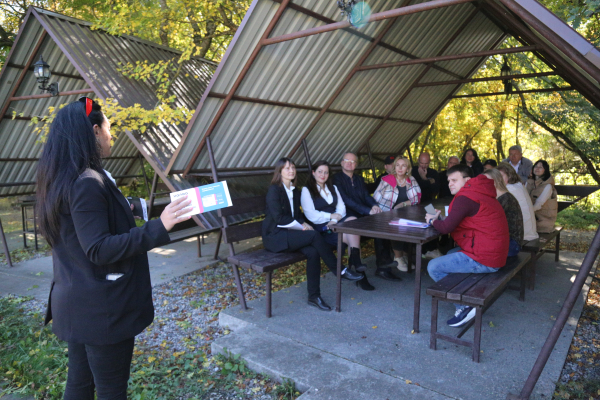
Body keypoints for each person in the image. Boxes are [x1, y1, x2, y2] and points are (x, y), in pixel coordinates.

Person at [36, 98, 193, 400]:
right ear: (94, 131)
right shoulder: (87, 182)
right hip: (101, 311)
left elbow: (90, 222)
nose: (111, 135)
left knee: (80, 386)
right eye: (108, 129)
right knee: (111, 392)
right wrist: (160, 226)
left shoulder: (63, 178)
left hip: (78, 304)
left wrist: (143, 209)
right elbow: (99, 248)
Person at [263, 157, 363, 311]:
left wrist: (304, 223)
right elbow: (279, 218)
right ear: (280, 171)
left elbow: (297, 215)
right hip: (275, 236)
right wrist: (302, 226)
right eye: (287, 168)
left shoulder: (294, 191)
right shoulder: (274, 190)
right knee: (314, 235)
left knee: (313, 251)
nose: (291, 171)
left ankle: (314, 296)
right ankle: (339, 270)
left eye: (293, 168)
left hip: (290, 235)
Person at [425, 164, 509, 327]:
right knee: (451, 251)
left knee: (433, 267)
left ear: (468, 180)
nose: (450, 183)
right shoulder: (479, 193)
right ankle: (465, 292)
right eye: (448, 181)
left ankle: (464, 305)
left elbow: (447, 228)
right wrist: (440, 220)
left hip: (486, 259)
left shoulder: (465, 198)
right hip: (495, 254)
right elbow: (456, 223)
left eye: (454, 180)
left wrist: (433, 221)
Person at [301, 160, 374, 291]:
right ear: (313, 173)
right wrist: (329, 217)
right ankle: (358, 269)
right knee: (352, 233)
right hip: (323, 229)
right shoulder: (307, 190)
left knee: (352, 219)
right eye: (320, 172)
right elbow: (310, 214)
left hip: (336, 224)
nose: (323, 175)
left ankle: (356, 263)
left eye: (326, 172)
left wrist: (334, 220)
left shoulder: (333, 188)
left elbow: (342, 208)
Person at [333, 152, 401, 281]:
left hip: (361, 213)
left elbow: (365, 196)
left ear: (356, 165)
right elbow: (346, 200)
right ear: (341, 163)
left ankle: (383, 265)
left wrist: (374, 206)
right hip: (347, 215)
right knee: (358, 229)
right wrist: (367, 210)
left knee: (381, 221)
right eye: (347, 160)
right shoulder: (336, 179)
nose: (349, 163)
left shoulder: (358, 179)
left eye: (353, 161)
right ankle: (361, 278)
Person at [373, 156, 422, 271]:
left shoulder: (411, 179)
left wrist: (403, 204)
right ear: (394, 167)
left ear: (408, 168)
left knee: (415, 227)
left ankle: (404, 255)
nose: (400, 168)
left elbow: (417, 197)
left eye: (403, 165)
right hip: (387, 214)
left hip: (406, 214)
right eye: (398, 165)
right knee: (397, 227)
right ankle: (398, 257)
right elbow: (376, 198)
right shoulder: (386, 180)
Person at [483, 169, 523, 256]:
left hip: (512, 244)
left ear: (497, 180)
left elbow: (490, 225)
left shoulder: (506, 198)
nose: (485, 183)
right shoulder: (497, 197)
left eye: (488, 180)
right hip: (504, 241)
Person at [497, 163, 538, 241]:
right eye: (497, 177)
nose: (499, 180)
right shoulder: (518, 185)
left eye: (501, 176)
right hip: (529, 231)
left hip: (523, 234)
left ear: (509, 176)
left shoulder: (510, 189)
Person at [526, 160, 558, 233]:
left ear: (545, 170)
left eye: (540, 167)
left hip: (543, 220)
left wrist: (524, 212)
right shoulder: (530, 182)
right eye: (536, 166)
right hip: (531, 217)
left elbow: (538, 205)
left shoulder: (548, 186)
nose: (537, 169)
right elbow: (523, 197)